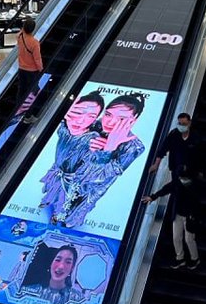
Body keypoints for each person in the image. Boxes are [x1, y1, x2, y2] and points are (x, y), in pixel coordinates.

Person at [52, 93, 146, 227]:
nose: (110, 122)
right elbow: (65, 146)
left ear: (133, 120)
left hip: (88, 192)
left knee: (68, 223)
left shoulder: (133, 147)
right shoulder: (95, 125)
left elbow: (98, 178)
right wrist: (68, 121)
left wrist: (108, 151)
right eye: (108, 114)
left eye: (121, 119)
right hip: (64, 179)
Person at [40, 91, 105, 218]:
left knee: (64, 202)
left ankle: (58, 215)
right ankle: (49, 201)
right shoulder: (64, 128)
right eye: (79, 112)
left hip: (73, 180)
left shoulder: (93, 139)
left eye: (91, 116)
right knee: (52, 191)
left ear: (95, 119)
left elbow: (94, 163)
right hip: (57, 171)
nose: (81, 120)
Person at [142, 162, 200, 269]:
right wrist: (153, 197)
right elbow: (166, 189)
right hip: (178, 214)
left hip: (190, 216)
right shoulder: (177, 183)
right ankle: (180, 258)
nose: (182, 179)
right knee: (176, 237)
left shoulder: (195, 185)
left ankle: (195, 258)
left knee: (189, 239)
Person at [149, 113, 196, 179]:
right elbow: (163, 149)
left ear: (189, 122)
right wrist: (156, 165)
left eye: (184, 124)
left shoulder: (195, 137)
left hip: (190, 171)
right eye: (180, 124)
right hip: (175, 170)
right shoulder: (173, 134)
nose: (181, 126)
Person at [16, 16, 43, 123]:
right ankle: (28, 116)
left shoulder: (19, 36)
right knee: (32, 93)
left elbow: (21, 32)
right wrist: (41, 69)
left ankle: (19, 112)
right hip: (32, 71)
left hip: (21, 68)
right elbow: (37, 58)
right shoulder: (34, 43)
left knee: (21, 91)